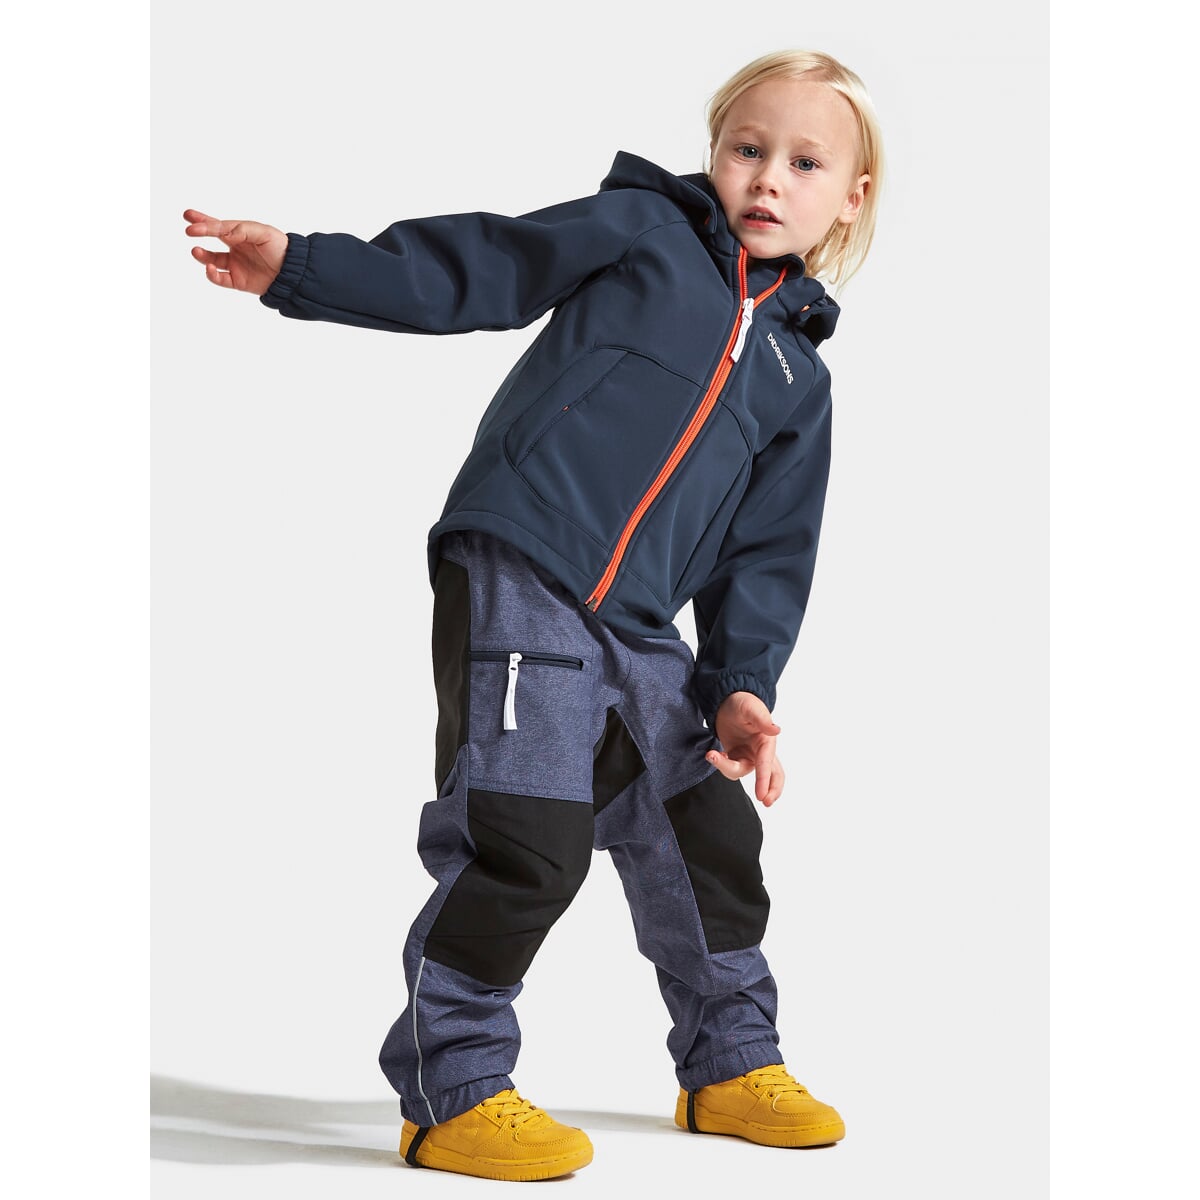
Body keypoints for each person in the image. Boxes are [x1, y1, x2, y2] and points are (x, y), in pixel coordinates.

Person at [183, 47, 883, 1183]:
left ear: (851, 196)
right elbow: (484, 265)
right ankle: (455, 1089)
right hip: (524, 567)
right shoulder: (641, 231)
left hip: (646, 630)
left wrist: (743, 686)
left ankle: (731, 1063)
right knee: (525, 839)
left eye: (805, 163)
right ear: (713, 153)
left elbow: (770, 553)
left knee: (709, 837)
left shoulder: (801, 379)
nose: (767, 178)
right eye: (747, 148)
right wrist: (302, 268)